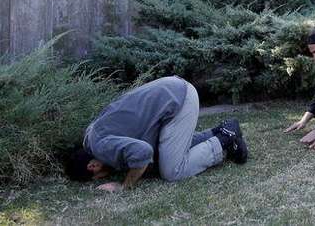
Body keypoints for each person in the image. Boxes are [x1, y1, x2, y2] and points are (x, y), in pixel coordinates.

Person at [65, 76, 247, 191]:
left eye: (97, 178)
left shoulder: (101, 146)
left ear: (93, 167)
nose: (103, 177)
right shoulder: (93, 134)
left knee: (171, 171)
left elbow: (143, 153)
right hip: (172, 92)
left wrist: (124, 185)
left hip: (179, 100)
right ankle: (219, 130)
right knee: (164, 157)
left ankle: (224, 140)